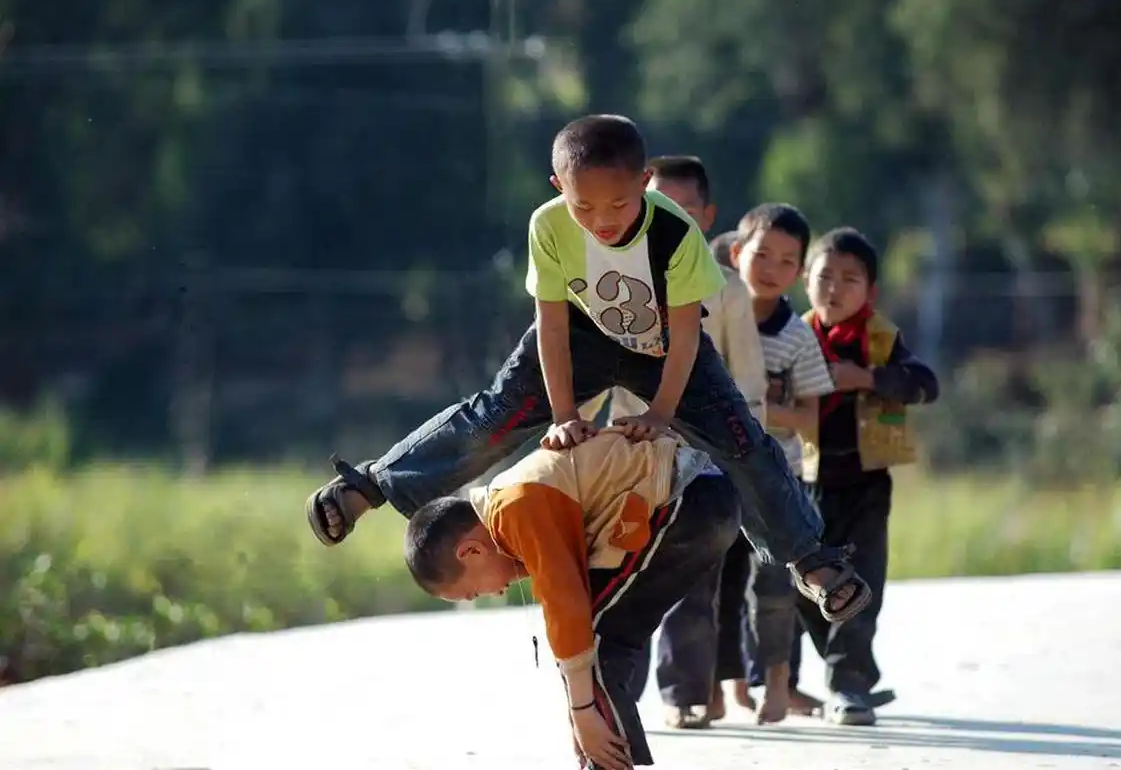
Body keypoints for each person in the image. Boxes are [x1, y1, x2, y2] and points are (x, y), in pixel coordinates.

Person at [305, 114, 872, 625]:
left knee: (741, 440)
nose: (602, 220)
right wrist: (562, 415)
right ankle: (370, 486)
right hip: (579, 338)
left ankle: (811, 560)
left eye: (619, 205)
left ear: (644, 182)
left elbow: (684, 336)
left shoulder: (675, 231)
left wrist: (661, 414)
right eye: (584, 207)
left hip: (663, 346)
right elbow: (550, 327)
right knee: (495, 416)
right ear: (559, 187)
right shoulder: (548, 226)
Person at [403, 429, 742, 769]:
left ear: (471, 552)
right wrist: (579, 714)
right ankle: (602, 758)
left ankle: (606, 762)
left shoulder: (514, 506)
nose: (494, 594)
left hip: (686, 499)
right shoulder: (512, 505)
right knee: (591, 640)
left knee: (594, 642)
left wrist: (582, 712)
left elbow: (566, 606)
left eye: (474, 592)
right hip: (704, 498)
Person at [577, 155, 769, 731]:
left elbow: (749, 380)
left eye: (685, 210)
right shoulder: (616, 285)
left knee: (692, 576)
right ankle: (619, 695)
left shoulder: (727, 292)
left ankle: (686, 693)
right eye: (659, 206)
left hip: (702, 459)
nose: (671, 218)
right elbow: (591, 373)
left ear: (707, 218)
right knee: (622, 570)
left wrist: (747, 455)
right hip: (630, 457)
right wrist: (573, 429)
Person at [796, 227, 940, 726]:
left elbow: (925, 385)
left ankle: (849, 684)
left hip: (865, 482)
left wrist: (867, 379)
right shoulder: (792, 335)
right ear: (805, 281)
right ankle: (844, 670)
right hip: (802, 480)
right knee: (803, 585)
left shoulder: (881, 338)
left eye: (850, 279)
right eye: (824, 277)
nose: (834, 288)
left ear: (870, 291)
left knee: (860, 582)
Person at [728, 203, 835, 724]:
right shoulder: (709, 319)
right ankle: (728, 688)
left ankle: (777, 685)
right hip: (711, 471)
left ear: (799, 271)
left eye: (787, 261)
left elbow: (810, 420)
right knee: (716, 587)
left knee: (773, 584)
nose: (771, 269)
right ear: (736, 254)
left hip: (775, 475)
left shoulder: (797, 336)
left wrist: (752, 410)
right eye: (762, 254)